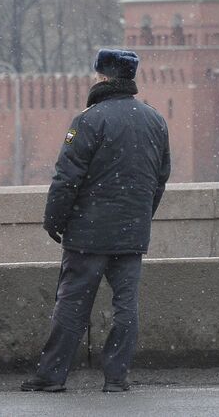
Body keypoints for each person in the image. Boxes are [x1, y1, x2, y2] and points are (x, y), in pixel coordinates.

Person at [22, 48, 172, 394]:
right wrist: (140, 215)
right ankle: (116, 377)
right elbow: (161, 177)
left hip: (88, 234)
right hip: (131, 233)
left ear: (103, 78)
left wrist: (54, 219)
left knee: (73, 305)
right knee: (126, 307)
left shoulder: (89, 120)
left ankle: (52, 375)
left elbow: (67, 177)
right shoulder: (154, 119)